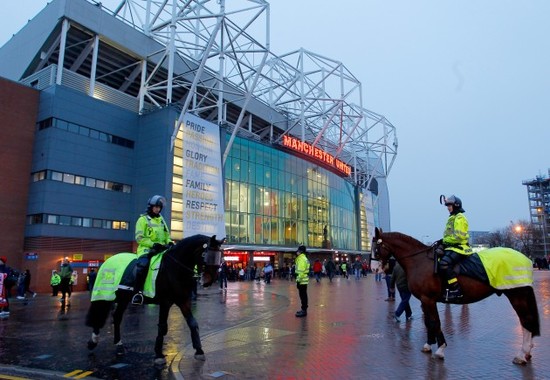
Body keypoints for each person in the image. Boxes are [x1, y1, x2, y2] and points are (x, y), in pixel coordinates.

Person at [132, 195, 173, 305]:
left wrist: (169, 242)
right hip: (146, 249)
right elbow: (139, 238)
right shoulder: (142, 219)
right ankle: (138, 292)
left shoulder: (161, 220)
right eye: (156, 207)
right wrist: (152, 244)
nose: (158, 209)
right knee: (142, 266)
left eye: (159, 208)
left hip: (161, 249)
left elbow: (167, 235)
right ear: (150, 207)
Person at [439, 194, 472, 301]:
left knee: (444, 263)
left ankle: (457, 290)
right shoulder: (452, 218)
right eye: (447, 205)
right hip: (452, 247)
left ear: (456, 206)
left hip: (460, 248)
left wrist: (445, 241)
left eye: (450, 205)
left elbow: (459, 236)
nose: (448, 208)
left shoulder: (460, 218)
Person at [294, 245, 310, 317]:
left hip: (302, 280)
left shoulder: (301, 259)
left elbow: (301, 271)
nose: (296, 252)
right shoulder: (304, 258)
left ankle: (303, 310)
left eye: (298, 251)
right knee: (304, 295)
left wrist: (298, 280)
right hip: (304, 280)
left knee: (303, 295)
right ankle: (304, 309)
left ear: (300, 251)